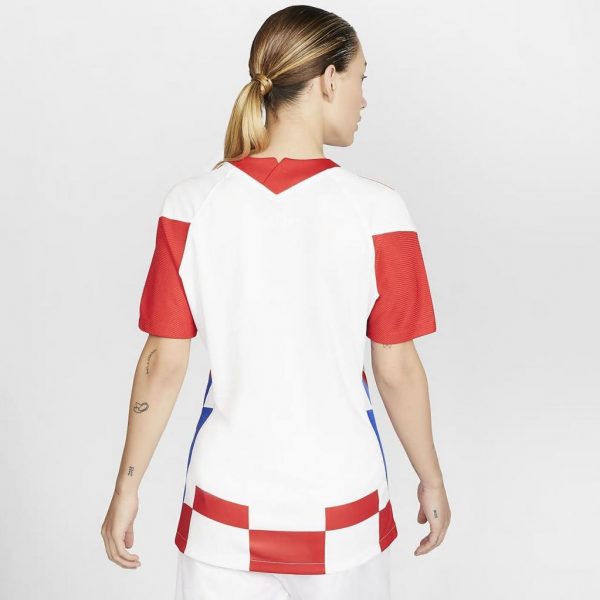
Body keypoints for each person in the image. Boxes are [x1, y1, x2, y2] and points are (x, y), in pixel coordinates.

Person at [100, 5, 451, 599]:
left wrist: (125, 489)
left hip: (222, 510)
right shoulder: (378, 212)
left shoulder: (191, 204)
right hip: (342, 507)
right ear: (329, 80)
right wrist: (431, 478)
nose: (364, 99)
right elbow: (396, 368)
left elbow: (162, 364)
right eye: (361, 79)